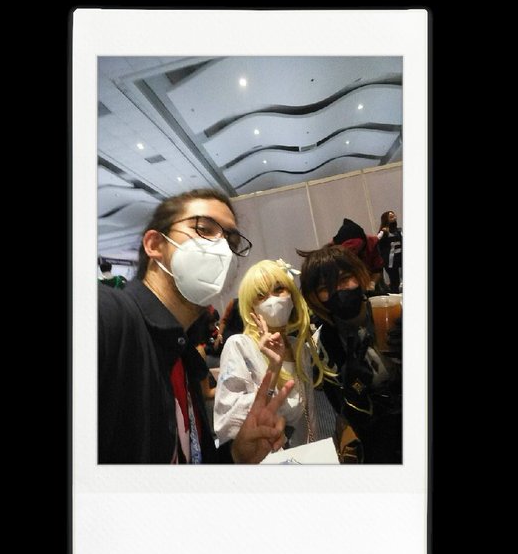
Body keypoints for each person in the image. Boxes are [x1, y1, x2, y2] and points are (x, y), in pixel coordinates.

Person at [98, 188, 294, 464]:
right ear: (155, 244)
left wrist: (236, 453)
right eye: (203, 229)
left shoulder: (182, 355)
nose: (222, 248)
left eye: (231, 241)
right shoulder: (110, 316)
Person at [298, 244, 402, 463]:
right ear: (314, 297)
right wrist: (355, 387)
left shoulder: (396, 310)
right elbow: (344, 417)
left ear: (359, 274)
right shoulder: (323, 346)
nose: (339, 291)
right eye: (325, 287)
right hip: (380, 449)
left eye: (345, 279)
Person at [214, 259, 332, 448]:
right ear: (251, 307)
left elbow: (310, 416)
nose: (272, 300)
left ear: (292, 296)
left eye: (278, 289)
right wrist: (273, 371)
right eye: (260, 296)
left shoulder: (298, 348)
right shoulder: (240, 346)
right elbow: (227, 420)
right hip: (264, 456)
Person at [331, 218, 387, 294]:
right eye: (349, 249)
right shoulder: (332, 252)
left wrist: (372, 283)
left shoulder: (371, 245)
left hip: (370, 279)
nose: (353, 252)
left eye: (355, 248)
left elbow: (377, 270)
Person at [377, 211, 402, 293]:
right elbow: (376, 240)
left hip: (400, 258)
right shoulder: (384, 232)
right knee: (395, 281)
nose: (394, 217)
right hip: (391, 262)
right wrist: (383, 232)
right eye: (391, 217)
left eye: (394, 216)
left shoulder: (399, 231)